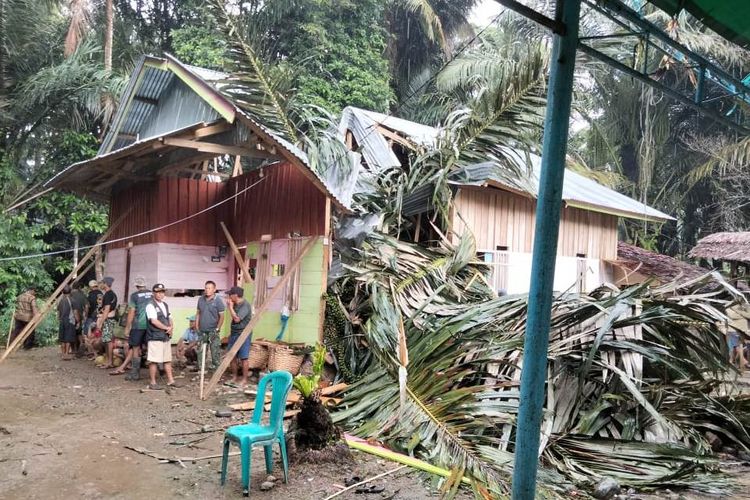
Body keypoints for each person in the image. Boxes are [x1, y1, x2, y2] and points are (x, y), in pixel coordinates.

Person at [111, 276, 152, 380]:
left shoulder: (134, 296)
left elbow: (132, 311)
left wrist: (127, 327)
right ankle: (159, 370)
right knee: (152, 347)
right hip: (151, 325)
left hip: (138, 325)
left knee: (135, 348)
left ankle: (135, 374)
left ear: (136, 285)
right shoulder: (152, 294)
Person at [145, 283, 176, 390]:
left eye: (162, 292)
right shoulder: (150, 305)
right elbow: (153, 321)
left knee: (167, 359)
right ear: (154, 293)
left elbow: (169, 317)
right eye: (158, 292)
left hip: (165, 336)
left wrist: (171, 327)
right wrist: (166, 328)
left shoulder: (165, 305)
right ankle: (153, 382)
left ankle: (171, 381)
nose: (160, 294)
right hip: (155, 336)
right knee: (154, 360)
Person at [225, 286, 252, 388]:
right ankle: (234, 377)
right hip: (234, 333)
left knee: (244, 358)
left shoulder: (245, 306)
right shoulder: (236, 303)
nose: (228, 297)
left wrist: (230, 307)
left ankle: (244, 380)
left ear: (235, 295)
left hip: (243, 334)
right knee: (232, 356)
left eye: (230, 295)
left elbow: (237, 319)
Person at [194, 280, 225, 372]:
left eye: (209, 288)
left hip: (213, 331)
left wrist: (217, 328)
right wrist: (196, 325)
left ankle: (216, 369)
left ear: (214, 289)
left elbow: (222, 316)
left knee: (215, 350)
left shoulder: (218, 301)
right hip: (202, 330)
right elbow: (198, 313)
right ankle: (201, 368)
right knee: (201, 350)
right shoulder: (201, 299)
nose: (207, 290)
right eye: (206, 288)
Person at [96, 277, 118, 369]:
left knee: (108, 341)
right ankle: (108, 361)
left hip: (108, 320)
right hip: (109, 319)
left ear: (105, 284)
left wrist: (101, 322)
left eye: (102, 283)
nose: (100, 285)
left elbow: (107, 310)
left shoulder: (108, 294)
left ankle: (109, 362)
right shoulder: (111, 294)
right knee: (107, 341)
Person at [726, 298, 750, 372]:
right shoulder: (728, 306)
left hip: (744, 329)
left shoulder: (745, 305)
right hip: (733, 329)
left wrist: (739, 312)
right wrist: (743, 314)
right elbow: (732, 316)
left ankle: (741, 363)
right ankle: (743, 362)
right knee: (736, 346)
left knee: (741, 347)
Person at [57, 286, 80, 360]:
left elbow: (58, 313)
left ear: (63, 292)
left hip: (62, 320)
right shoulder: (73, 300)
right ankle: (66, 354)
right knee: (68, 338)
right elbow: (75, 313)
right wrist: (78, 321)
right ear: (70, 292)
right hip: (70, 321)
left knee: (62, 338)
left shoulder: (61, 301)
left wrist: (59, 319)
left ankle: (63, 354)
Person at [70, 282, 87, 355]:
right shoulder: (82, 295)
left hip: (70, 317)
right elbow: (86, 306)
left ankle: (74, 349)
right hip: (79, 317)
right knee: (79, 332)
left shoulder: (69, 295)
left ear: (73, 287)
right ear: (79, 287)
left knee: (71, 333)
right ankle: (81, 344)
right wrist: (85, 315)